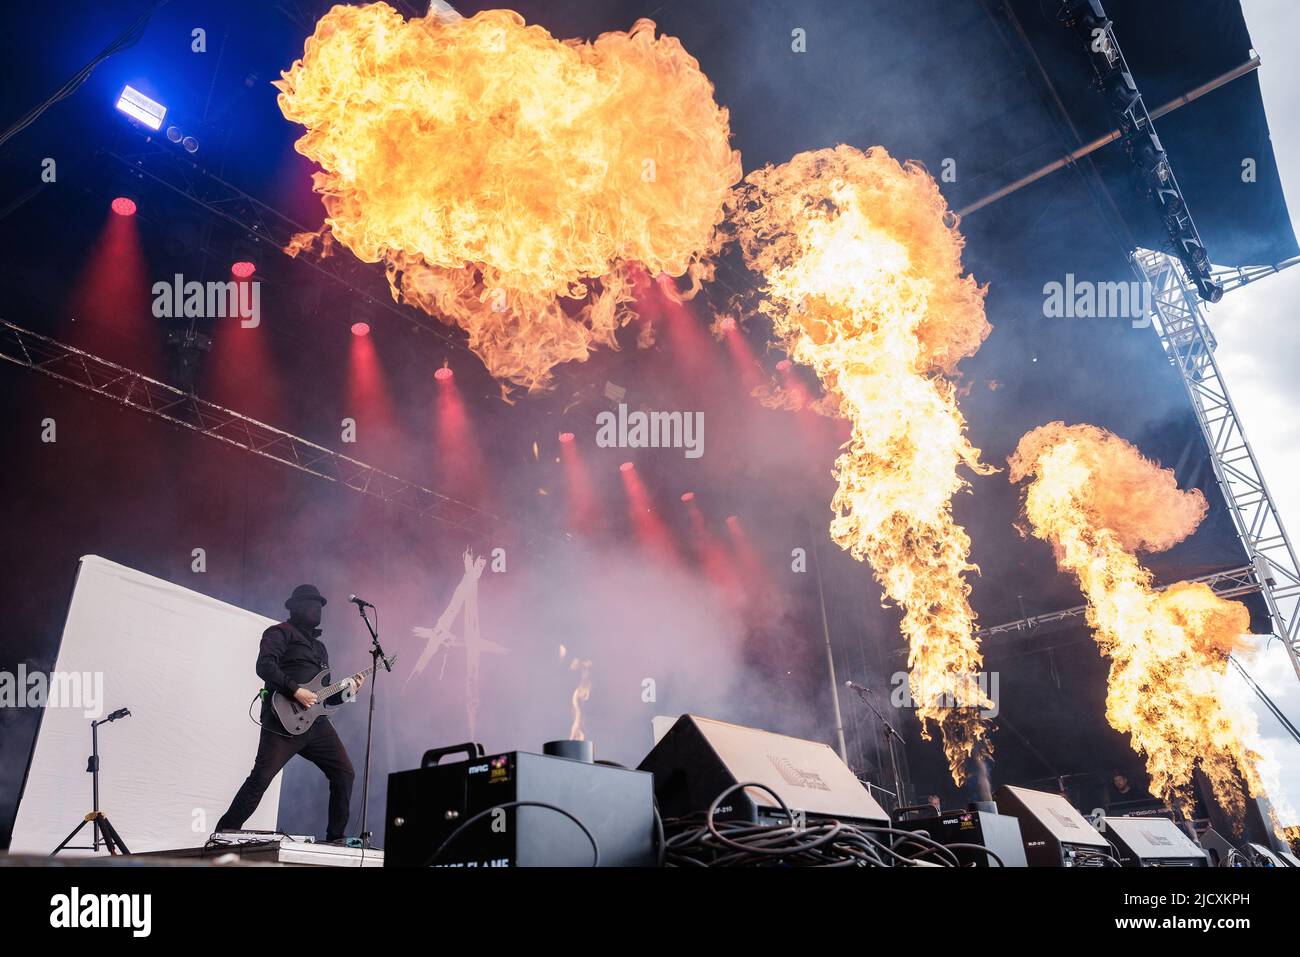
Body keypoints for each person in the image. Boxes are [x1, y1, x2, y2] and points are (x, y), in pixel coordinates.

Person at [215, 584, 363, 843]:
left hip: (315, 723)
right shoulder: (279, 633)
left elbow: (323, 694)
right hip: (283, 719)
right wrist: (295, 690)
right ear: (296, 607)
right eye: (312, 604)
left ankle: (335, 837)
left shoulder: (320, 649)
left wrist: (348, 690)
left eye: (320, 606)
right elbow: (264, 665)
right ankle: (223, 833)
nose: (317, 609)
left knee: (344, 772)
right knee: (260, 778)